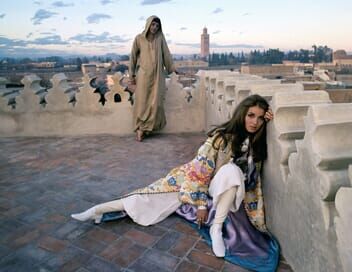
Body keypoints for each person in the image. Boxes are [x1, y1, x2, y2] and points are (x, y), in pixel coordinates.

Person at [71, 94, 279, 271]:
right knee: (148, 198)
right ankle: (97, 210)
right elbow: (200, 171)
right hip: (193, 182)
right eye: (251, 115)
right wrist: (199, 204)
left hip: (226, 189)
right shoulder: (221, 138)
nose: (255, 122)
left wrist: (272, 120)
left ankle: (216, 229)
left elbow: (251, 179)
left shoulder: (256, 144)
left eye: (260, 118)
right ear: (241, 113)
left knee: (232, 171)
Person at [128, 15, 176, 142]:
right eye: (153, 25)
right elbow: (132, 57)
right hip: (143, 76)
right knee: (142, 103)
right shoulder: (139, 39)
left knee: (156, 103)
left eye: (157, 26)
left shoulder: (160, 38)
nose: (154, 28)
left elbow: (166, 53)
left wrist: (172, 67)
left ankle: (147, 129)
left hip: (157, 77)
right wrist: (131, 75)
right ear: (148, 24)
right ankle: (140, 129)